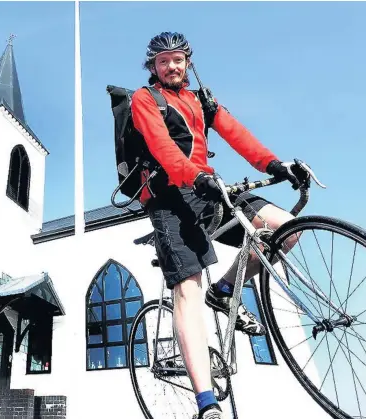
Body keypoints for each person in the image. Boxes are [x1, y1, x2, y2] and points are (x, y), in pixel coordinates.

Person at [130, 32, 309, 419]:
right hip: (169, 197)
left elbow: (237, 133)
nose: (171, 66)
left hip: (208, 187)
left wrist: (274, 164)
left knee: (287, 228)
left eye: (177, 59)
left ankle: (226, 288)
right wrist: (193, 176)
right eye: (163, 61)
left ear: (188, 63)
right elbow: (162, 145)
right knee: (188, 290)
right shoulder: (144, 99)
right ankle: (206, 404)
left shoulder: (201, 100)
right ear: (153, 67)